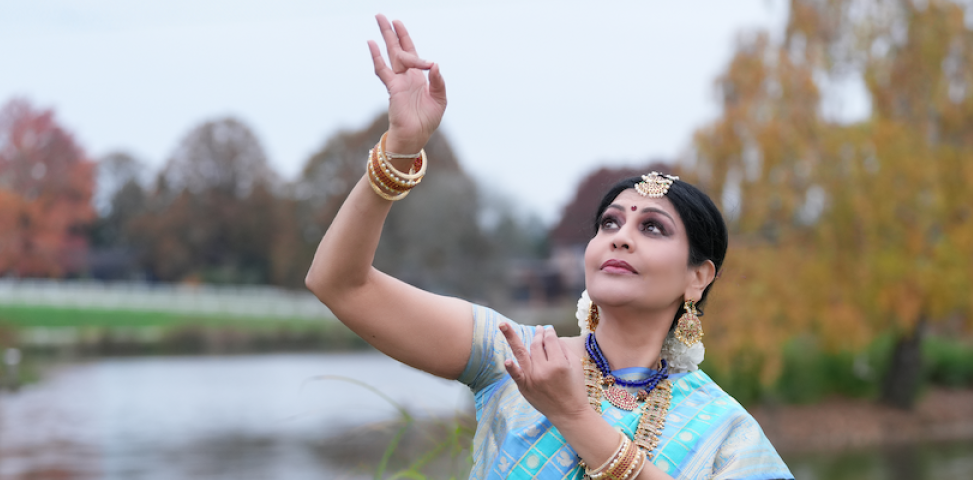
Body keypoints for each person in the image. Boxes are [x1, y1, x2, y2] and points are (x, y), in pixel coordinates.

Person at [305, 14, 794, 479]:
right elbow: (339, 284)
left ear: (698, 276)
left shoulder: (724, 431)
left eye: (652, 228)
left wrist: (574, 416)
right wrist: (400, 150)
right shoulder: (515, 357)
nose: (620, 236)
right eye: (609, 223)